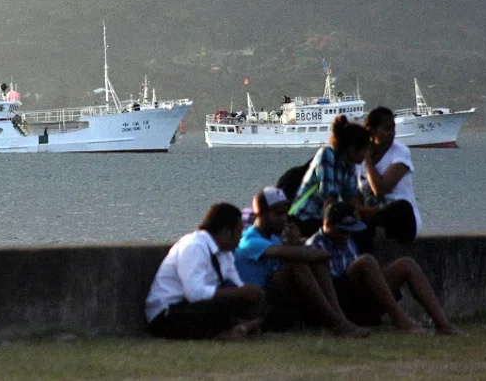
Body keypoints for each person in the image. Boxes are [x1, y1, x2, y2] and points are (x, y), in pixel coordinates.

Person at [306, 201, 463, 335]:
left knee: (406, 264)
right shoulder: (314, 245)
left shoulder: (348, 241)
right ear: (327, 225)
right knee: (366, 261)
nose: (346, 235)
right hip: (340, 301)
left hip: (363, 297)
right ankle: (402, 322)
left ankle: (443, 324)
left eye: (350, 231)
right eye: (343, 230)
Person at [234, 187, 369, 337]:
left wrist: (298, 245)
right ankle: (338, 323)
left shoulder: (273, 238)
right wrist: (308, 250)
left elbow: (299, 254)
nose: (284, 218)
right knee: (297, 264)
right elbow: (288, 254)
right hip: (254, 303)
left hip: (273, 299)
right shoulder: (250, 240)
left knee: (314, 261)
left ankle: (340, 320)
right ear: (260, 214)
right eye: (277, 214)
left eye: (285, 213)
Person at [145, 203, 266, 340]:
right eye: (239, 232)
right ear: (226, 233)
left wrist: (249, 294)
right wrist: (237, 292)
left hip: (195, 305)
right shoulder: (194, 246)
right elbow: (194, 293)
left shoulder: (225, 253)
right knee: (217, 307)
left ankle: (238, 328)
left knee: (257, 302)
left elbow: (235, 284)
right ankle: (231, 331)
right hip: (168, 313)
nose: (240, 237)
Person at [353, 106, 421, 253]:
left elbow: (381, 189)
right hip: (373, 219)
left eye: (393, 128)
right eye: (387, 129)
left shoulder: (400, 152)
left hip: (403, 221)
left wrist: (368, 160)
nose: (392, 134)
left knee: (402, 206)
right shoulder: (357, 159)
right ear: (372, 131)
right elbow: (356, 193)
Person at [288, 115, 368, 237]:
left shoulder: (349, 164)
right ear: (352, 149)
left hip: (324, 215)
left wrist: (363, 214)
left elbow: (350, 195)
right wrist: (328, 228)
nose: (366, 154)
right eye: (364, 149)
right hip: (306, 218)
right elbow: (329, 196)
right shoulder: (327, 154)